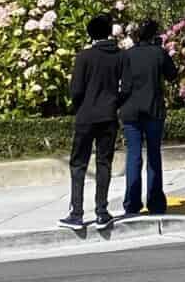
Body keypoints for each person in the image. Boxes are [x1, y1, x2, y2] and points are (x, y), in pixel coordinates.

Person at [59, 13, 122, 231]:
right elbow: (125, 86)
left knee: (78, 164)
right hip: (109, 116)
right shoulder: (119, 56)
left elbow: (76, 90)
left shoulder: (84, 57)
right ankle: (102, 212)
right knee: (104, 163)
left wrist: (80, 107)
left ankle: (76, 213)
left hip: (86, 116)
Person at [119, 18, 177, 217]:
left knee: (133, 156)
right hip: (153, 109)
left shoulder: (127, 55)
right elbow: (172, 75)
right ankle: (155, 201)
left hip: (130, 110)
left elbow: (123, 83)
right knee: (154, 155)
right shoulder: (158, 53)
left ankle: (132, 202)